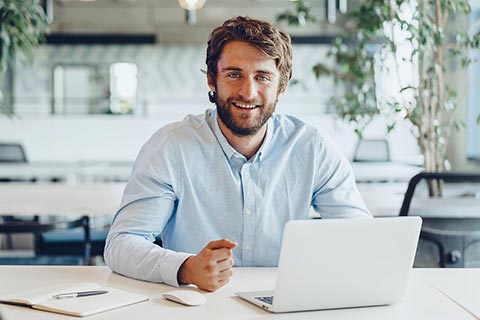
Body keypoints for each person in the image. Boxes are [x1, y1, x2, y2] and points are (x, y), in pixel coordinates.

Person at [104, 16, 371, 292]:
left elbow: (361, 239)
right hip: (196, 306)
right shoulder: (171, 147)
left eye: (262, 77)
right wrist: (185, 268)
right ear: (212, 79)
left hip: (285, 305)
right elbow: (122, 244)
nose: (248, 91)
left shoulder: (313, 148)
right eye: (234, 75)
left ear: (281, 85)